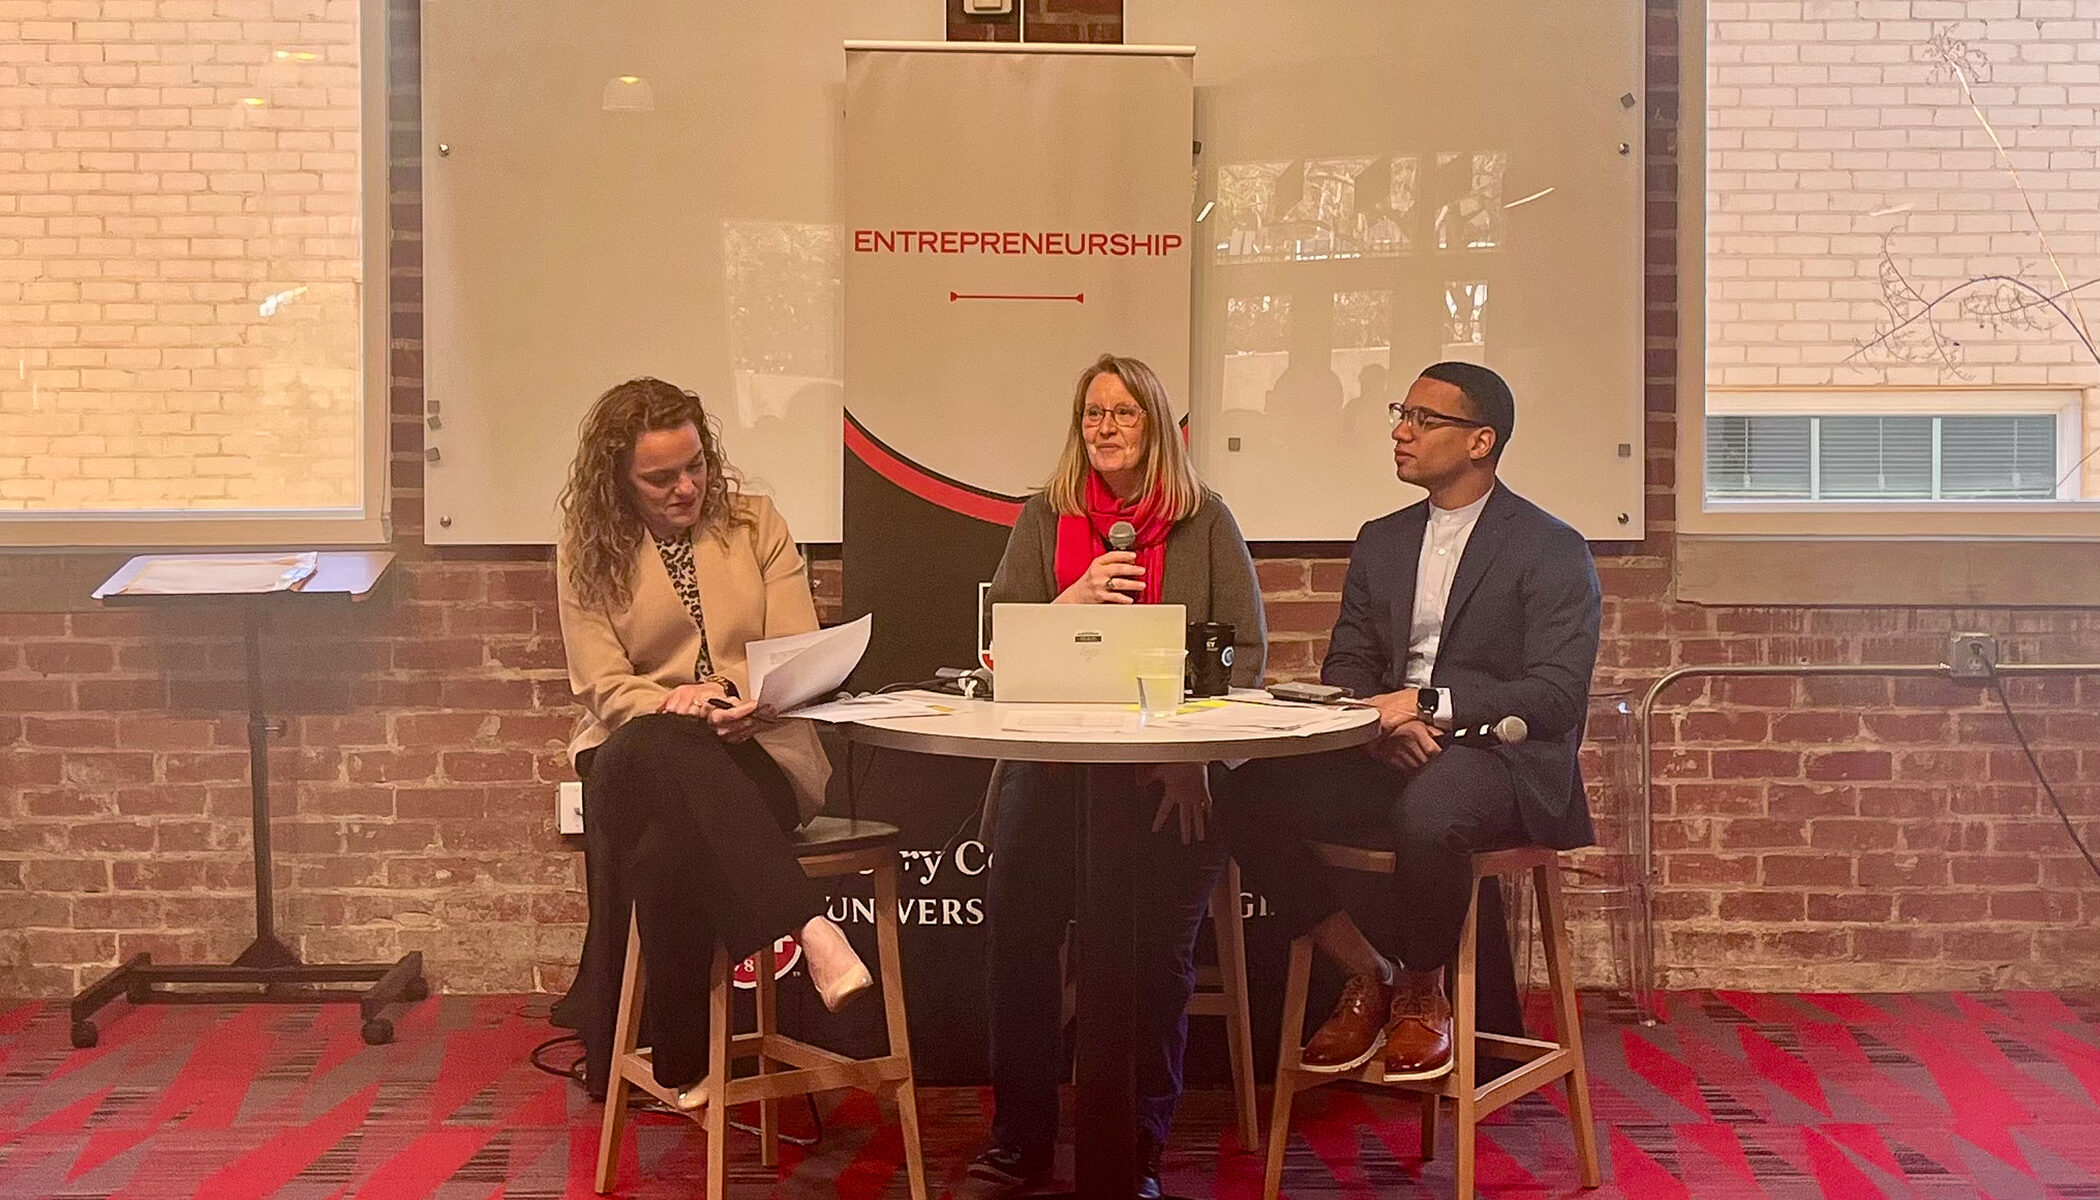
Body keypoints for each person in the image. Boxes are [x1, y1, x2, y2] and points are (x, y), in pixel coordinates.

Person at [1222, 361, 1601, 1083]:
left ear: (1480, 440)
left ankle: (1425, 990)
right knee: (1246, 795)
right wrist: (1383, 724)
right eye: (1403, 414)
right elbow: (1349, 667)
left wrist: (1426, 706)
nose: (1402, 430)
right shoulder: (1383, 539)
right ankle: (1368, 976)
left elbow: (1556, 695)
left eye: (1426, 420)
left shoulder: (1550, 546)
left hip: (1501, 756)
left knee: (1430, 818)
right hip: (1391, 745)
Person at [969, 354, 1266, 1199]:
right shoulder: (1044, 516)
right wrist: (1072, 600)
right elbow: (999, 650)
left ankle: (1132, 1149)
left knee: (1149, 960)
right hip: (1052, 769)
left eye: (1123, 414)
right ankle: (1021, 1141)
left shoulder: (1205, 520)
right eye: (1092, 414)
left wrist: (1188, 757)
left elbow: (1243, 658)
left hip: (1166, 776)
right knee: (1018, 948)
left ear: (1157, 427)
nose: (1103, 428)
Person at [555, 377, 874, 1106]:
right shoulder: (586, 549)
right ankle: (811, 928)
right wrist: (683, 708)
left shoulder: (757, 524)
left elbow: (794, 647)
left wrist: (729, 699)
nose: (685, 487)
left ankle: (678, 1063)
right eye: (660, 478)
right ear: (618, 480)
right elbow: (603, 684)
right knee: (655, 745)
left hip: (757, 749)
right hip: (632, 750)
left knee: (669, 844)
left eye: (694, 465)